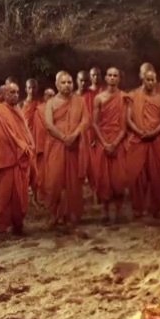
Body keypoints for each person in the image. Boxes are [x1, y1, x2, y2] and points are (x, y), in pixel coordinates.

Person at [43, 71, 90, 229]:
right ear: (57, 85)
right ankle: (54, 214)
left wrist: (74, 135)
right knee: (54, 181)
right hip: (56, 146)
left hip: (73, 147)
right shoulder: (51, 103)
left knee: (73, 182)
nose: (67, 85)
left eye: (69, 82)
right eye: (63, 82)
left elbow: (85, 120)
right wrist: (64, 137)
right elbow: (49, 125)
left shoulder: (80, 101)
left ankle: (72, 214)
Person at [0, 83, 34, 235]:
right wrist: (21, 146)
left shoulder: (18, 110)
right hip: (6, 159)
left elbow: (25, 131)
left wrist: (29, 144)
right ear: (3, 95)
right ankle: (2, 226)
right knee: (4, 195)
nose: (15, 95)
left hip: (21, 159)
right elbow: (3, 136)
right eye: (11, 92)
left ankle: (18, 225)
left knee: (21, 195)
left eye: (17, 92)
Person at [124, 66, 160, 220]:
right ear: (143, 80)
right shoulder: (133, 96)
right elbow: (129, 119)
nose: (150, 82)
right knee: (137, 176)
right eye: (147, 80)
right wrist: (139, 131)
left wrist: (153, 133)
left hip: (156, 141)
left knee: (157, 176)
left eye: (152, 80)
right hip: (138, 141)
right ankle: (138, 208)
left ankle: (157, 208)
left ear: (156, 81)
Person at [90, 67, 129, 223]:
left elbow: (125, 126)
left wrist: (115, 143)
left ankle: (118, 212)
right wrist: (105, 143)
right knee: (103, 178)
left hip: (118, 140)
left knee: (119, 178)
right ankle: (105, 212)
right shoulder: (98, 98)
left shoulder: (124, 97)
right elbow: (94, 123)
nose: (112, 78)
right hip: (103, 141)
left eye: (115, 75)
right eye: (110, 75)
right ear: (105, 78)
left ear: (119, 79)